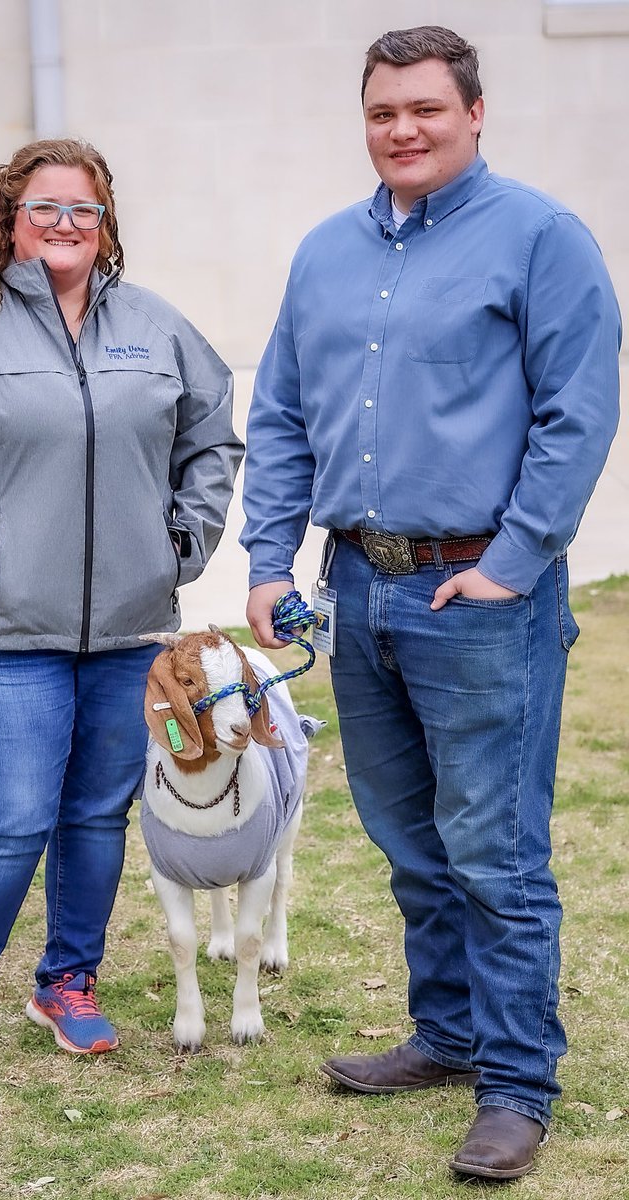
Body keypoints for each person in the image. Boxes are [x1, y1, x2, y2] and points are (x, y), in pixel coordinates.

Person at [241, 26, 620, 1182]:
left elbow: (577, 409)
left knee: (492, 852)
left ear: (473, 111)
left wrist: (511, 559)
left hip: (477, 598)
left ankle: (514, 1081)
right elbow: (280, 415)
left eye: (423, 108)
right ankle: (448, 1035)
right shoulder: (322, 253)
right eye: (380, 112)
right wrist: (269, 559)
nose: (400, 129)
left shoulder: (540, 240)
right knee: (407, 839)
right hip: (355, 588)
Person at [0, 138, 243, 1077]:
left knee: (95, 815)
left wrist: (183, 539)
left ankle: (66, 983)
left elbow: (212, 436)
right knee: (11, 820)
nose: (65, 224)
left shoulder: (154, 327)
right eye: (45, 207)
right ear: (11, 218)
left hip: (128, 627)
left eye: (83, 209)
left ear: (106, 221)